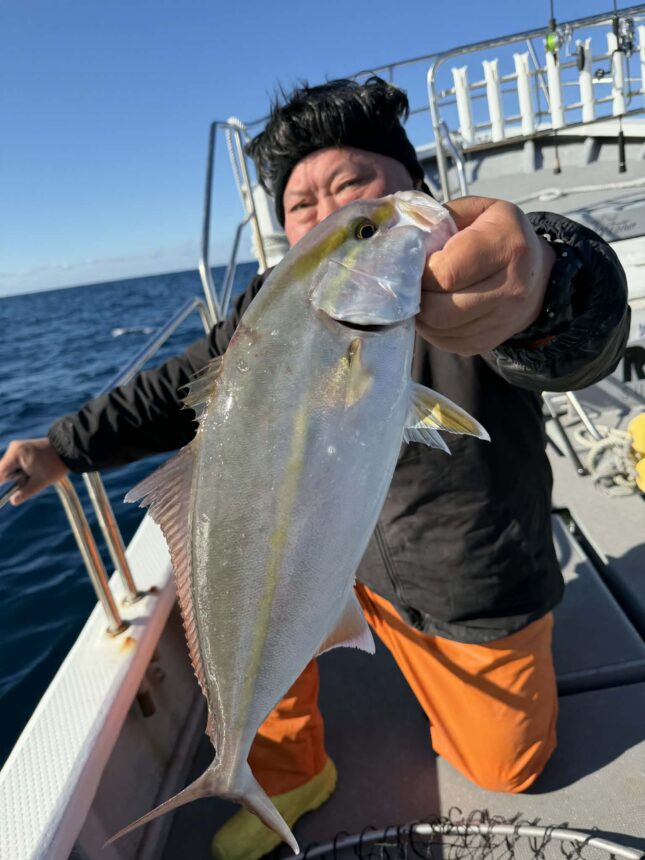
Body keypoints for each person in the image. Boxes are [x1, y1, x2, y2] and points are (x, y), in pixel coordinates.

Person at [0, 77, 629, 860]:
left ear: (414, 189)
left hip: (465, 584)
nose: (327, 212)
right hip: (337, 564)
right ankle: (283, 771)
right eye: (301, 204)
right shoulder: (269, 310)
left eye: (353, 190)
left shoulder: (474, 280)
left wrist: (548, 286)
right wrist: (61, 447)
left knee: (508, 769)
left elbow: (575, 325)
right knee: (240, 594)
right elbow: (171, 391)